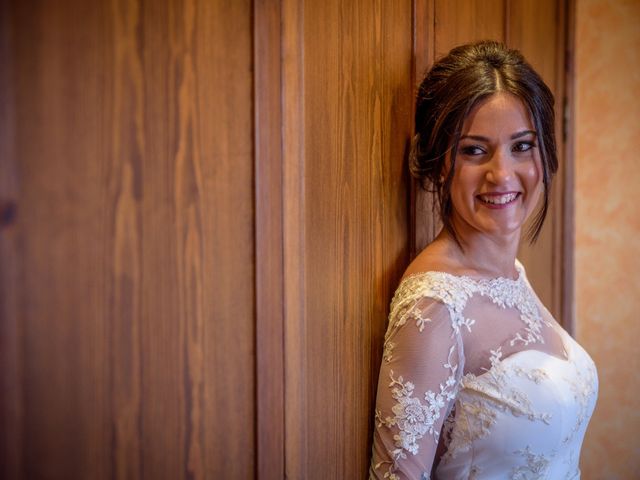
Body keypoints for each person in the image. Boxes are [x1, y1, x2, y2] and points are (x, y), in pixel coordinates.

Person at [369, 41, 598, 479]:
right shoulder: (435, 307)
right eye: (474, 150)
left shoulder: (510, 274)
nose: (503, 173)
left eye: (522, 146)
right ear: (439, 163)